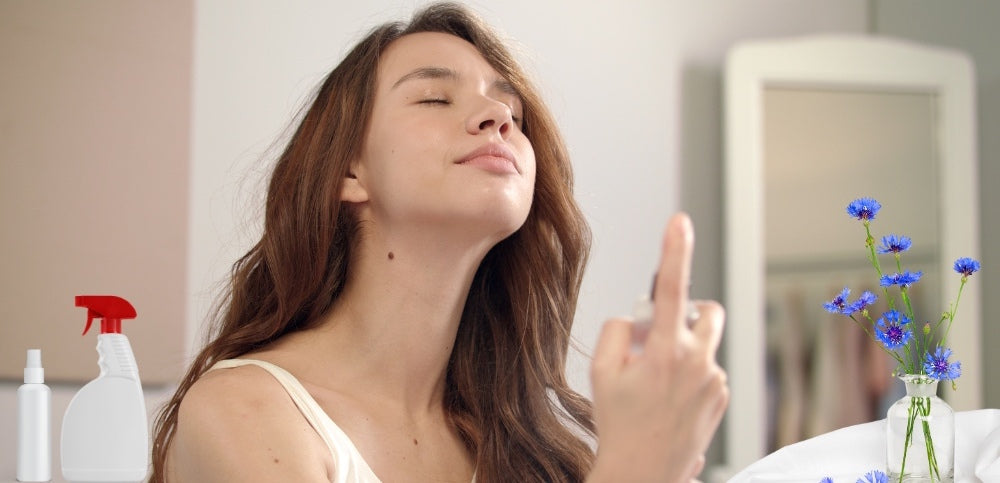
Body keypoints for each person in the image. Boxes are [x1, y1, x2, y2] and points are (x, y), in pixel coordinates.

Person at [151, 3, 728, 482]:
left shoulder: (544, 458)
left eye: (513, 112)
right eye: (434, 98)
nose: (497, 117)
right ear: (348, 171)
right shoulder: (245, 413)